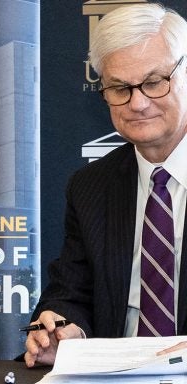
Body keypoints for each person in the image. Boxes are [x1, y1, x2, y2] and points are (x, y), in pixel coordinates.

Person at [25, 3, 187, 367]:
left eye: (154, 81)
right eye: (119, 88)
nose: (138, 103)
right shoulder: (91, 187)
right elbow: (71, 293)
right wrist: (64, 330)